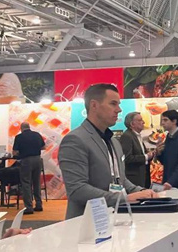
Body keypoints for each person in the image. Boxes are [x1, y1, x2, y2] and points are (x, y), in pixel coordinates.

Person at [58, 84, 156, 219]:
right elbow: (77, 189)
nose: (119, 109)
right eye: (113, 104)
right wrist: (124, 198)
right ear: (94, 105)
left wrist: (144, 192)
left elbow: (121, 180)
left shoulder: (113, 141)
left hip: (116, 218)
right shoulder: (75, 140)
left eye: (118, 104)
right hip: (87, 222)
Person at [13, 122, 46, 215]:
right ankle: (39, 205)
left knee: (26, 183)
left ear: (21, 128)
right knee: (36, 182)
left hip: (26, 161)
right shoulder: (37, 135)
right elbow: (44, 147)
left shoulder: (19, 137)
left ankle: (29, 207)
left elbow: (15, 152)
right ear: (29, 127)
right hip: (38, 159)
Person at [119, 112, 154, 188]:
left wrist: (152, 154)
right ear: (132, 124)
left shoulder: (137, 135)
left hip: (142, 178)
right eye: (140, 120)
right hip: (134, 180)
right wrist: (146, 157)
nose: (143, 122)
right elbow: (127, 158)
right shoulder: (127, 136)